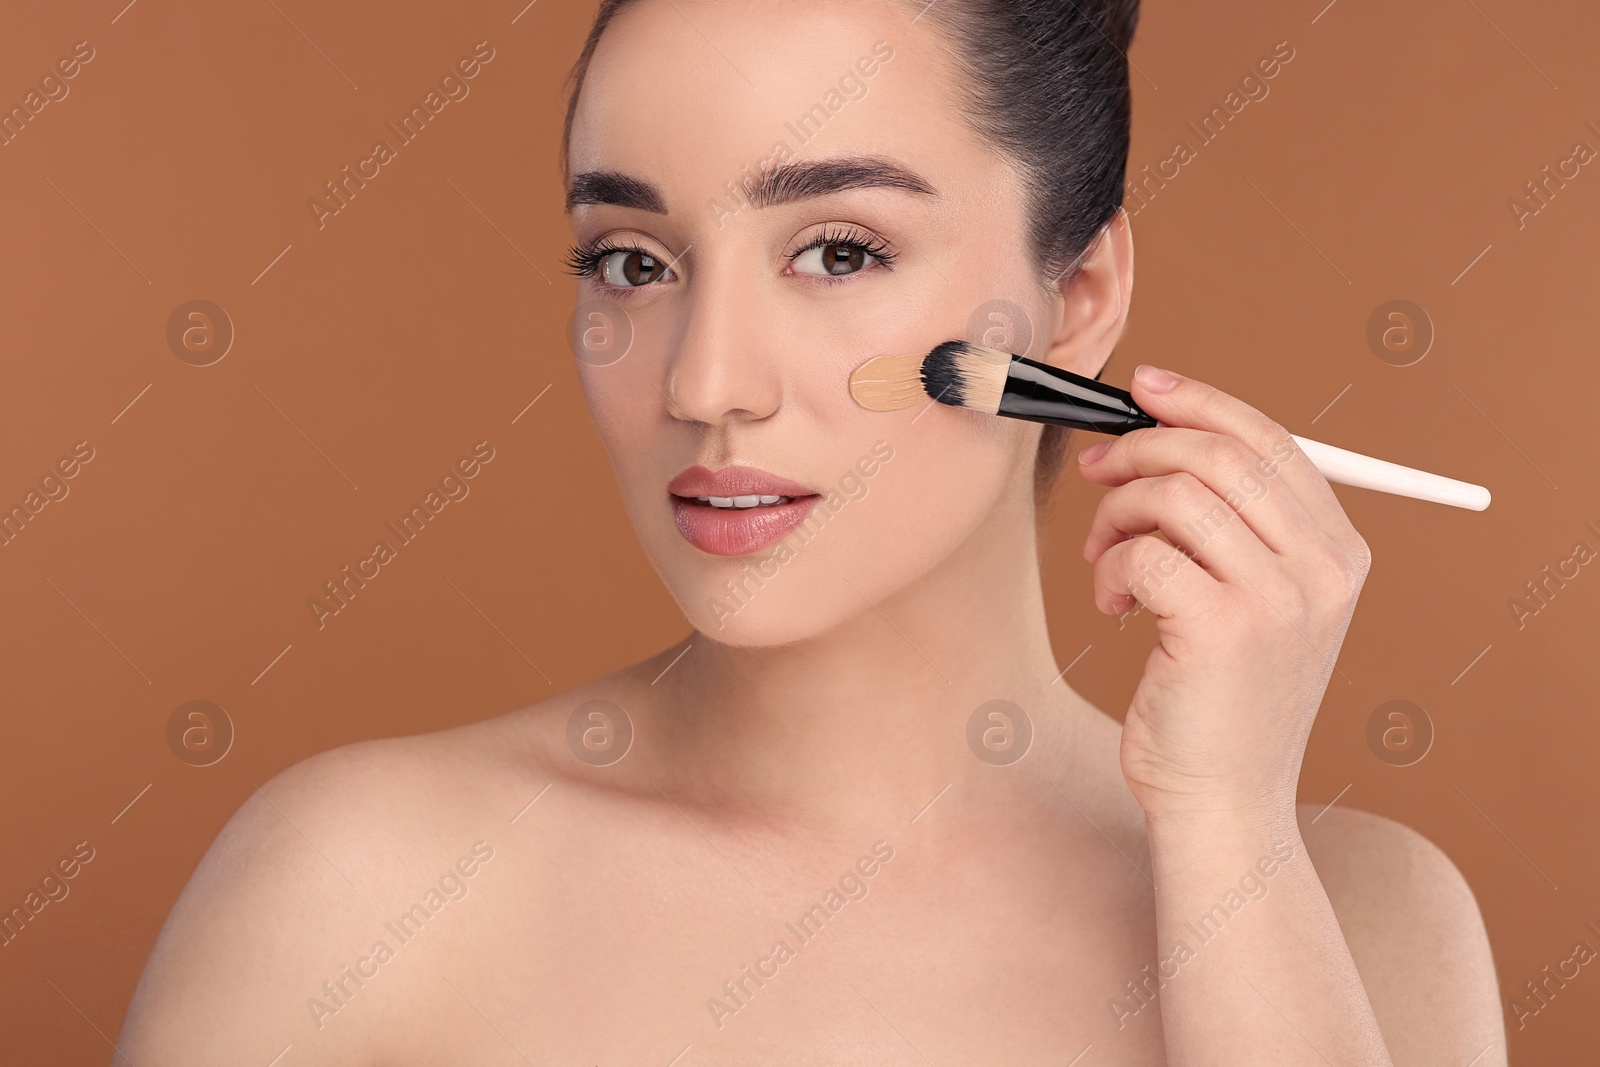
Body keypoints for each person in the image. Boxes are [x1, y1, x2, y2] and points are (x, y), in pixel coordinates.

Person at [118, 0, 1505, 1062]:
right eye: (634, 263)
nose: (705, 381)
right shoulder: (357, 890)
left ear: (1075, 297)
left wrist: (1232, 844)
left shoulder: (1366, 917)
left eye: (839, 252)